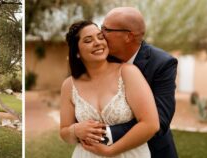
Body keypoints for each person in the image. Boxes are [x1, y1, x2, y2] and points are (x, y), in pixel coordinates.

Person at [78, 7, 179, 158]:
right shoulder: (101, 58)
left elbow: (160, 120)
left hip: (153, 151)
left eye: (106, 29)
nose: (101, 34)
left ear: (128, 36)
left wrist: (103, 134)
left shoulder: (162, 63)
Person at [60, 20, 159, 157]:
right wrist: (75, 130)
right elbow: (64, 133)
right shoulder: (69, 85)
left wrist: (111, 150)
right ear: (77, 52)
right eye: (88, 40)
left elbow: (151, 124)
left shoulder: (128, 73)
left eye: (100, 37)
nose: (98, 43)